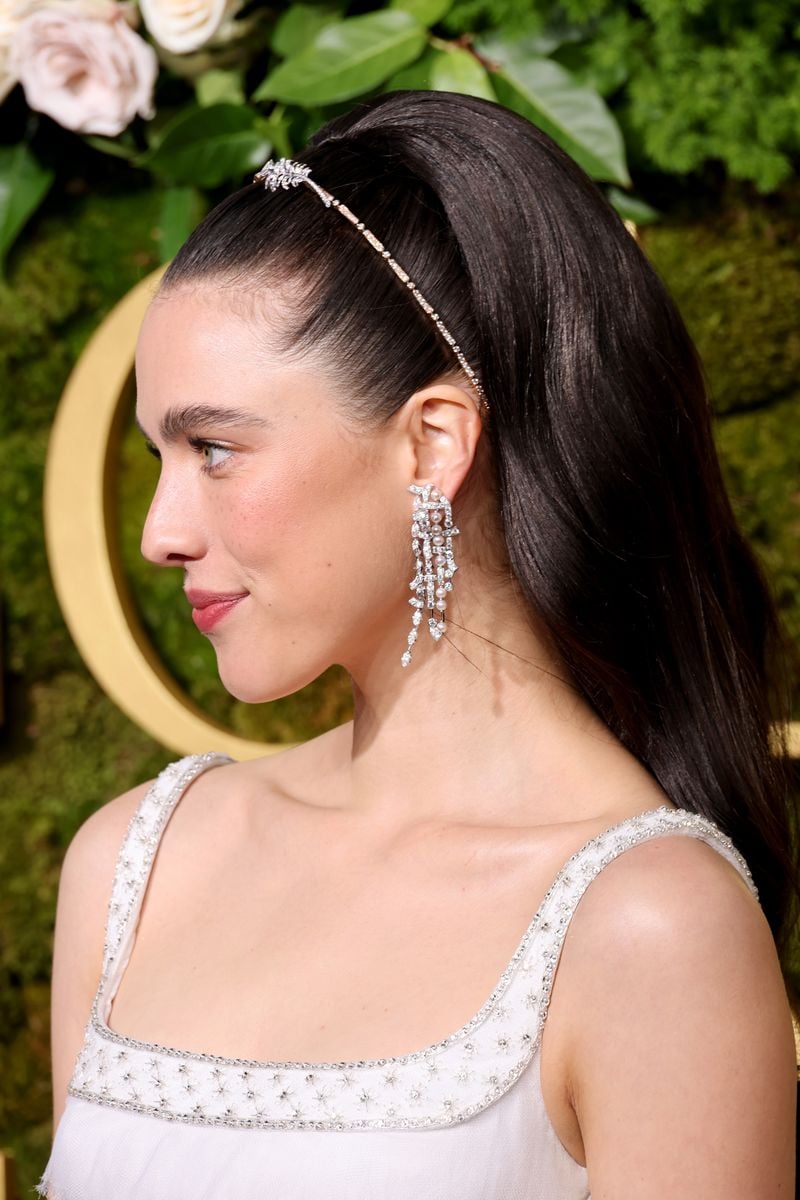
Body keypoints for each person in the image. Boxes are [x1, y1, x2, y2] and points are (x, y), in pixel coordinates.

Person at [38, 89, 797, 1199]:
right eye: (160, 453)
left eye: (211, 447)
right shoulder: (131, 867)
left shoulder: (649, 927)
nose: (159, 532)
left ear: (430, 441)